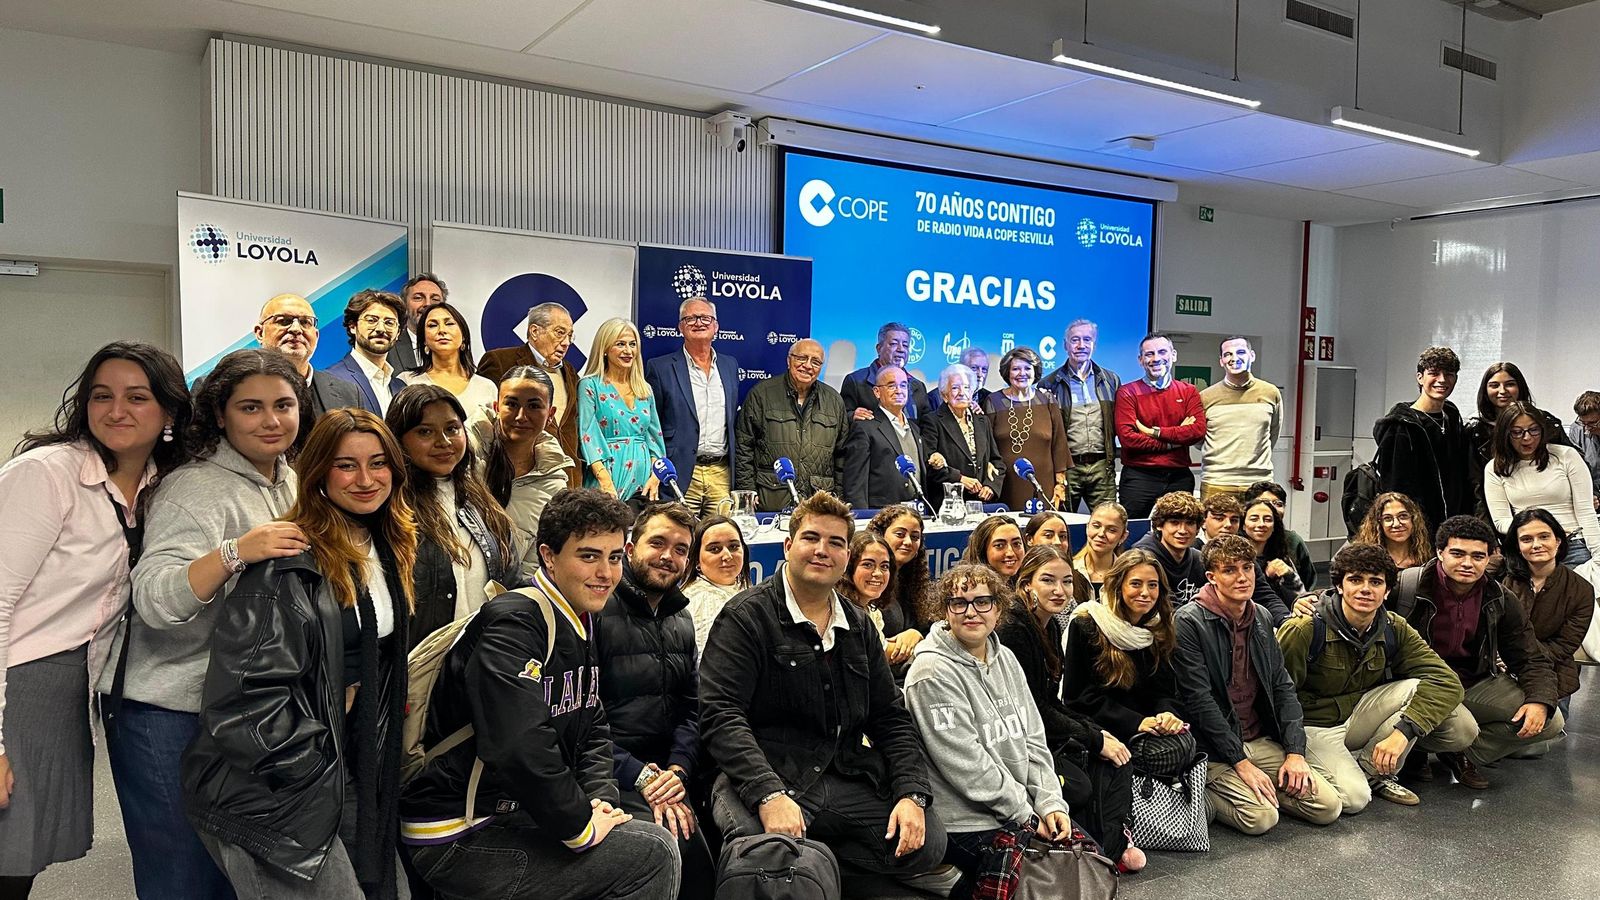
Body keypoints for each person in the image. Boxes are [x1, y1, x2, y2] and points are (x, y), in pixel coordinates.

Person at [182, 409, 416, 898]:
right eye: (346, 465)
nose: (367, 479)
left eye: (378, 463)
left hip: (347, 767)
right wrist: (313, 769)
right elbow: (243, 707)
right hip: (279, 788)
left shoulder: (385, 546)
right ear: (318, 474)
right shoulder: (287, 566)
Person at [402, 488, 680, 900]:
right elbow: (518, 744)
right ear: (549, 557)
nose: (605, 572)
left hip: (511, 813)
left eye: (615, 557)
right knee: (652, 854)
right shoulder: (515, 622)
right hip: (458, 832)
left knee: (641, 835)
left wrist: (602, 804)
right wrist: (580, 827)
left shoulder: (579, 618)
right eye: (588, 556)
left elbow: (593, 727)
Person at [0, 342, 190, 899]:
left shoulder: (161, 487)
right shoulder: (47, 474)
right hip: (19, 682)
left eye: (137, 397)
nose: (116, 411)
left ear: (170, 412)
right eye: (101, 396)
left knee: (20, 859)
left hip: (71, 689)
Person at [116, 348, 308, 899]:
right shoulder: (195, 489)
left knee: (236, 873)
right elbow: (153, 599)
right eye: (251, 407)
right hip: (169, 712)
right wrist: (234, 552)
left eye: (283, 405)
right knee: (183, 875)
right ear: (220, 415)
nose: (271, 420)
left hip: (245, 709)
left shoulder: (289, 480)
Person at [700, 490, 950, 892]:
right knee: (765, 855)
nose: (823, 550)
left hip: (843, 776)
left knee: (929, 842)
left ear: (846, 557)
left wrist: (911, 794)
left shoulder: (858, 624)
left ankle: (819, 869)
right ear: (787, 546)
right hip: (767, 773)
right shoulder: (746, 617)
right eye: (811, 538)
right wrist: (767, 794)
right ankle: (807, 868)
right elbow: (720, 715)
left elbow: (890, 718)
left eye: (836, 543)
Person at [904, 564, 1081, 898]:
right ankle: (939, 876)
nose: (971, 612)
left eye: (982, 602)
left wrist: (1050, 803)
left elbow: (1033, 739)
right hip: (966, 822)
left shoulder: (1007, 659)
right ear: (945, 611)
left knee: (1086, 864)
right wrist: (1026, 815)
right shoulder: (930, 672)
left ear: (998, 609)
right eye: (959, 603)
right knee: (1052, 887)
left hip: (1018, 808)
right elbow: (967, 767)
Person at [1276, 543, 1471, 813]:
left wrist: (1403, 733)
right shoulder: (1305, 629)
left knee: (1440, 706)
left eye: (1376, 582)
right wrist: (1291, 751)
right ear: (1339, 586)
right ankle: (1326, 772)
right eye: (1355, 580)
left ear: (1387, 591)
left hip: (1359, 716)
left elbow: (1447, 681)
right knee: (1354, 800)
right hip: (1313, 726)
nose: (1365, 589)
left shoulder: (1393, 627)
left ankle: (1372, 770)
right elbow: (1276, 696)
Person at [1174, 535, 1340, 835]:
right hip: (1213, 749)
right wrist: (1240, 762)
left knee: (1328, 807)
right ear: (1211, 577)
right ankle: (1201, 789)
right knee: (1260, 819)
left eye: (1248, 568)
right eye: (1230, 570)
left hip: (1259, 739)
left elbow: (1282, 686)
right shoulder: (1188, 621)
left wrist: (1295, 752)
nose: (1242, 577)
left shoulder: (1261, 616)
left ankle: (1259, 789)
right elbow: (1198, 700)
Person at [593, 503, 714, 900]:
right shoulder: (597, 608)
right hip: (609, 770)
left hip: (668, 772)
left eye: (680, 549)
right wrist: (641, 777)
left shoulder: (681, 618)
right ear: (629, 549)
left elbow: (689, 708)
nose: (668, 556)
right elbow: (578, 719)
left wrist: (678, 770)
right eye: (657, 543)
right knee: (682, 851)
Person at [1390, 515, 1562, 788]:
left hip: (1473, 681)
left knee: (1551, 721)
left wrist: (1540, 700)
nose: (1468, 563)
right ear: (1439, 552)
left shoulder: (1500, 598)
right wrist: (1311, 600)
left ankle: (1458, 753)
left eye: (1477, 556)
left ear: (1490, 557)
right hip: (1417, 684)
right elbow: (1349, 593)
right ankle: (1417, 749)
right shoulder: (1406, 585)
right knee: (1462, 729)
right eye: (1457, 553)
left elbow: (1530, 657)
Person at [995, 547, 1137, 869]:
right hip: (1017, 739)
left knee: (1118, 754)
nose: (1060, 591)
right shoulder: (1014, 629)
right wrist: (1094, 738)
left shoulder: (1050, 624)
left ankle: (1107, 848)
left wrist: (1098, 732)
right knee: (1082, 784)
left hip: (1043, 727)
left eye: (1067, 582)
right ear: (1026, 583)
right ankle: (1098, 851)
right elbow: (1031, 711)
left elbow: (1051, 701)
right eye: (1048, 580)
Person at [387, 384, 521, 647]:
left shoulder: (480, 499)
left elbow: (511, 580)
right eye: (425, 431)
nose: (443, 442)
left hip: (482, 660)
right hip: (419, 670)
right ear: (398, 438)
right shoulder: (388, 506)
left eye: (452, 429)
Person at [1061, 551, 1191, 808]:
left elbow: (1166, 692)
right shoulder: (1088, 624)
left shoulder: (1157, 628)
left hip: (1149, 727)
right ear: (1117, 586)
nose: (1145, 593)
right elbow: (1077, 699)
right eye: (1135, 584)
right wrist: (1137, 722)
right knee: (1171, 752)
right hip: (1105, 728)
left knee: (1184, 743)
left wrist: (1167, 714)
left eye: (1152, 585)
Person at [643, 297, 740, 516]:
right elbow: (651, 425)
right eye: (691, 318)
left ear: (716, 326)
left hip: (721, 474)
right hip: (681, 472)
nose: (699, 323)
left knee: (718, 540)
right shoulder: (660, 367)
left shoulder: (729, 365)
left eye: (705, 318)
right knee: (679, 540)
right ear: (680, 327)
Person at [1498, 509, 1595, 718]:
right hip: (1499, 671)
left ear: (1558, 541)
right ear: (1517, 545)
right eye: (1526, 539)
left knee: (1540, 740)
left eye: (1544, 536)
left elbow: (1564, 645)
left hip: (1553, 672)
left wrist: (1517, 659)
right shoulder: (1502, 579)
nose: (1536, 545)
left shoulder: (1581, 589)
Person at [477, 366, 576, 565]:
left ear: (550, 413)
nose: (521, 416)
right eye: (511, 404)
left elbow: (536, 563)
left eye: (533, 406)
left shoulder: (553, 484)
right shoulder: (465, 454)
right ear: (497, 407)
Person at [734, 338, 848, 511]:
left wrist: (838, 499)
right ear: (789, 360)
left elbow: (841, 456)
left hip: (818, 501)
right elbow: (744, 446)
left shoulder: (834, 401)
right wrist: (747, 491)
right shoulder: (762, 394)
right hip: (771, 499)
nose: (808, 366)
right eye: (802, 358)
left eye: (816, 362)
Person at [476, 302, 582, 487]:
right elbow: (487, 422)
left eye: (570, 336)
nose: (566, 343)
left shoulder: (571, 372)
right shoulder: (500, 361)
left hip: (567, 480)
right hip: (519, 478)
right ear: (534, 331)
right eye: (559, 333)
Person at [1374, 346, 1476, 537]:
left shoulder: (1452, 416)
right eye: (1434, 373)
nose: (1442, 380)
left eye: (1449, 374)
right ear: (1420, 377)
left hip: (1452, 525)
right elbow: (1396, 487)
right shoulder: (1401, 426)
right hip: (1419, 529)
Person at [1485, 401, 1600, 566]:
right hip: (1530, 549)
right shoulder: (1495, 468)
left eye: (1533, 430)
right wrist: (1541, 531)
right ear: (1505, 434)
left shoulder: (1566, 456)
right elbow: (1501, 521)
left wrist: (1598, 555)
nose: (1527, 438)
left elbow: (1586, 511)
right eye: (1517, 432)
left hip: (1574, 544)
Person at [577, 318, 667, 506]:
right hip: (607, 477)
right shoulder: (590, 385)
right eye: (620, 344)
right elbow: (588, 435)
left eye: (632, 344)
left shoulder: (644, 389)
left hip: (644, 483)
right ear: (604, 349)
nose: (628, 351)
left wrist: (655, 476)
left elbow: (654, 437)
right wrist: (605, 481)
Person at [1114, 333, 1206, 518]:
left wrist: (1154, 432)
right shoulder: (1127, 392)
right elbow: (1128, 438)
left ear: (1173, 355)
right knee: (1132, 534)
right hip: (1139, 477)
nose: (1156, 359)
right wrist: (1174, 440)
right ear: (1140, 360)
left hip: (1178, 476)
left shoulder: (1188, 392)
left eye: (1162, 352)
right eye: (1149, 354)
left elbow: (1197, 431)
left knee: (1180, 531)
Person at [1040, 319, 1122, 512]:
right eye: (1075, 340)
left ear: (1094, 344)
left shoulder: (1110, 380)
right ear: (1065, 345)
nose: (1081, 345)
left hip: (1102, 466)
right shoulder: (1049, 384)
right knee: (1061, 523)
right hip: (1068, 468)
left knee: (1108, 521)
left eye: (1087, 339)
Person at [256, 293, 365, 429]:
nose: (296, 329)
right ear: (260, 333)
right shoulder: (238, 388)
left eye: (305, 322)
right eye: (284, 321)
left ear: (316, 336)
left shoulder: (349, 392)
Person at [985, 346, 1071, 510]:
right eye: (1015, 369)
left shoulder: (1047, 399)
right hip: (1006, 484)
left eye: (1027, 368)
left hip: (1043, 484)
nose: (1022, 373)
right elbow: (986, 443)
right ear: (1007, 373)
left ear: (1035, 371)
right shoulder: (993, 401)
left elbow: (1059, 445)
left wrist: (1060, 484)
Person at [1199, 337, 1281, 502]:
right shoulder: (1206, 397)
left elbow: (1273, 433)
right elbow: (1198, 438)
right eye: (1227, 354)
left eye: (1241, 352)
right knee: (1218, 529)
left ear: (1252, 355)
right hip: (1216, 482)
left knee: (1259, 528)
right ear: (1221, 361)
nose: (1234, 358)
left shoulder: (1270, 393)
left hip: (1259, 484)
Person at [844, 365, 928, 510]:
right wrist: (861, 519)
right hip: (880, 514)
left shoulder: (915, 429)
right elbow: (855, 483)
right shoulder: (865, 428)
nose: (898, 390)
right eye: (891, 385)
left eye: (903, 385)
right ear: (877, 392)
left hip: (916, 512)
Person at [1467, 362, 1569, 479]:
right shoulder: (1476, 430)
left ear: (1520, 387)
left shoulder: (1546, 422)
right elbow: (1472, 479)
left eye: (1510, 384)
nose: (1502, 391)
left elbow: (1573, 461)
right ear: (1485, 391)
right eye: (1494, 385)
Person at [922, 365, 1002, 504]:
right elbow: (929, 464)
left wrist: (991, 486)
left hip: (980, 502)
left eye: (966, 387)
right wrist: (959, 479)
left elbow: (997, 461)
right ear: (944, 395)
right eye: (955, 388)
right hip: (948, 502)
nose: (961, 392)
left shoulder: (982, 421)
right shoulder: (932, 421)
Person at [400, 302, 498, 414]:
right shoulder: (407, 381)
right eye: (432, 325)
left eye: (449, 324)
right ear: (424, 340)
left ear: (464, 337)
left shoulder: (486, 387)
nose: (442, 330)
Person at [324, 289, 408, 415]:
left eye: (389, 323)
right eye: (371, 320)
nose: (381, 329)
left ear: (398, 333)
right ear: (352, 326)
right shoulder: (331, 379)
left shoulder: (400, 387)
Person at [682, 515, 748, 657]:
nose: (727, 556)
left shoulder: (742, 588)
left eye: (734, 546)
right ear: (697, 560)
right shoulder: (701, 601)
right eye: (714, 549)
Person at [868, 504, 935, 641]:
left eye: (915, 537)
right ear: (880, 535)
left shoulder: (914, 581)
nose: (908, 542)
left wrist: (917, 636)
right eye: (900, 534)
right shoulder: (865, 580)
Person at [841, 322, 932, 421]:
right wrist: (851, 416)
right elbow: (842, 417)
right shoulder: (856, 381)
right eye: (893, 344)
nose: (901, 349)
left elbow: (927, 425)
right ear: (879, 349)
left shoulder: (918, 386)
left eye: (905, 345)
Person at [1130, 491, 1207, 607]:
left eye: (1190, 523)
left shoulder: (1199, 559)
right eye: (1175, 523)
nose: (1182, 530)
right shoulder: (1144, 558)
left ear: (1197, 528)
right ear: (1159, 525)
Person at [1243, 481, 1317, 589]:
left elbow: (1308, 582)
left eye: (1278, 504)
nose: (1273, 508)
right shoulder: (1235, 544)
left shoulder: (1292, 541)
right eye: (1266, 503)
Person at [1240, 496, 1301, 623]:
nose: (1261, 524)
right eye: (1254, 519)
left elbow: (1299, 596)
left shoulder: (1282, 558)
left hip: (1280, 619)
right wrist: (1265, 576)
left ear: (1274, 527)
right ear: (1244, 525)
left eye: (1267, 520)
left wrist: (1289, 576)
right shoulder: (1235, 559)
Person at [838, 531, 898, 655]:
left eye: (884, 566)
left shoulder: (872, 611)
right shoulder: (841, 614)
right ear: (848, 567)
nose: (878, 573)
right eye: (868, 565)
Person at [1351, 491, 1433, 570]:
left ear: (1413, 519)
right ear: (1378, 523)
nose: (1396, 524)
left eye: (1403, 516)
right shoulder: (1364, 560)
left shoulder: (1428, 558)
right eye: (1388, 518)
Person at [388, 274, 447, 372]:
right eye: (418, 298)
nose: (428, 304)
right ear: (404, 305)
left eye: (435, 299)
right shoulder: (389, 346)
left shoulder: (454, 347)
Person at [1074, 501, 1128, 603]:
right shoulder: (1070, 570)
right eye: (1096, 526)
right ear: (1087, 527)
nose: (1101, 534)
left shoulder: (1128, 574)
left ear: (1123, 536)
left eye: (1111, 530)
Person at [962, 514, 1026, 582]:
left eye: (1016, 543)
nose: (1010, 553)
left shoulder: (1025, 582)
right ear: (982, 550)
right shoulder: (971, 589)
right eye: (999, 545)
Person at [1567, 390, 1600, 511]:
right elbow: (1575, 467)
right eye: (1582, 422)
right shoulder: (1577, 428)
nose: (1586, 429)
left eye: (1592, 423)